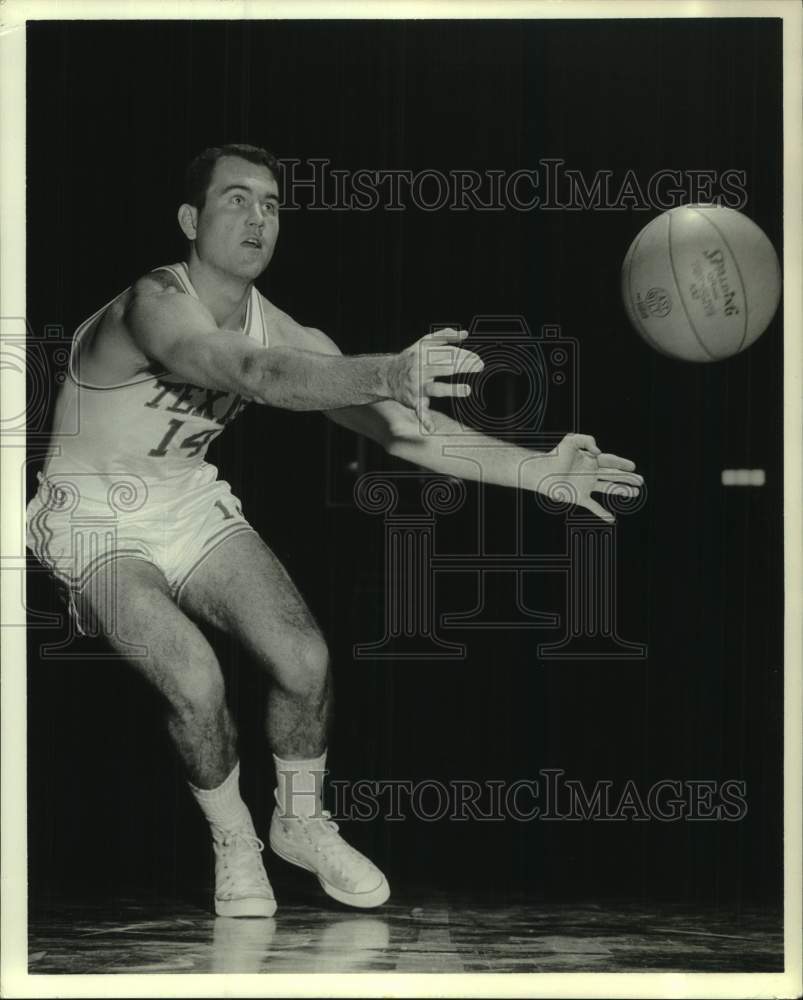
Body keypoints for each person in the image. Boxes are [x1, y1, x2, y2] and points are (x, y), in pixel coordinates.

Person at [26, 143, 642, 918]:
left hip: (183, 505)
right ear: (190, 219)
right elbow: (251, 374)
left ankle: (300, 821)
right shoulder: (152, 302)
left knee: (305, 659)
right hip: (89, 519)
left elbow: (398, 429)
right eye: (236, 199)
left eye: (272, 204)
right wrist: (385, 368)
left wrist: (538, 471)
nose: (258, 217)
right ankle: (234, 842)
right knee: (193, 674)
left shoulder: (284, 329)